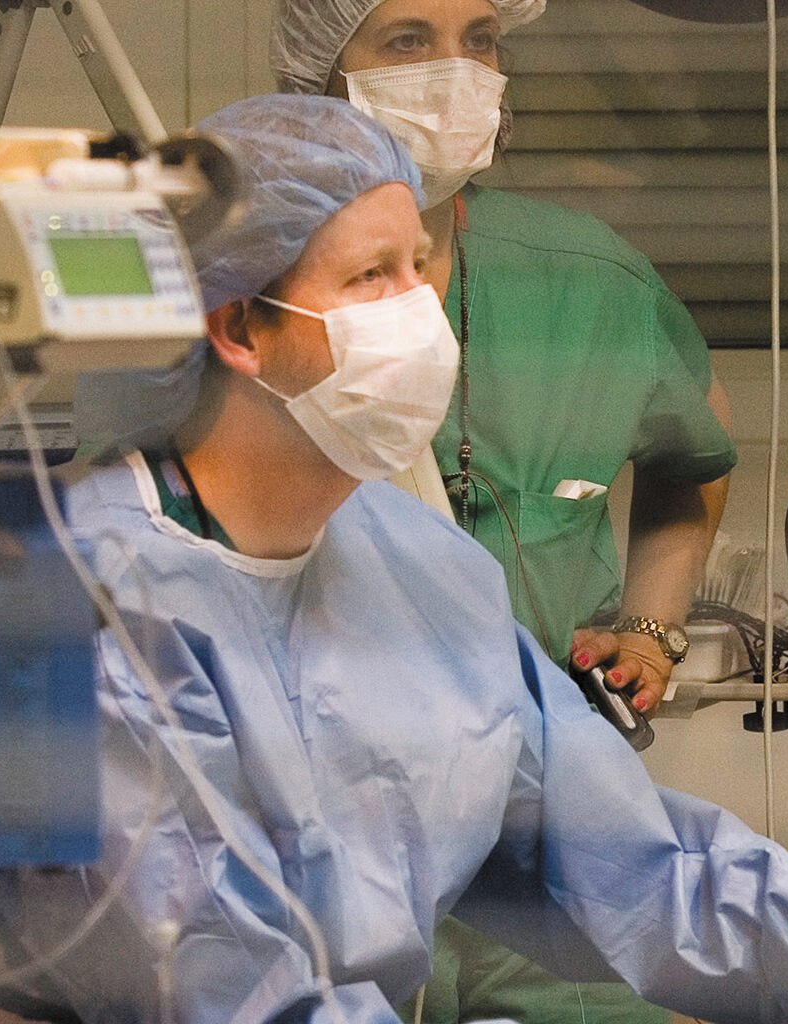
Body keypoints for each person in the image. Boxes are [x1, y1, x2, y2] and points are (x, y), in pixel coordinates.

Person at [0, 94, 788, 1024]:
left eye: (418, 266)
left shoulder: (415, 567)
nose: (420, 313)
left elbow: (634, 872)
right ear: (239, 328)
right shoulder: (57, 612)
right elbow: (223, 985)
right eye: (368, 279)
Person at [273, 0, 736, 719]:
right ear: (318, 74)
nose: (455, 74)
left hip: (546, 749)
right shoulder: (244, 293)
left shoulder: (583, 278)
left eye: (481, 41)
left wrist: (651, 635)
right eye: (407, 41)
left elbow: (697, 447)